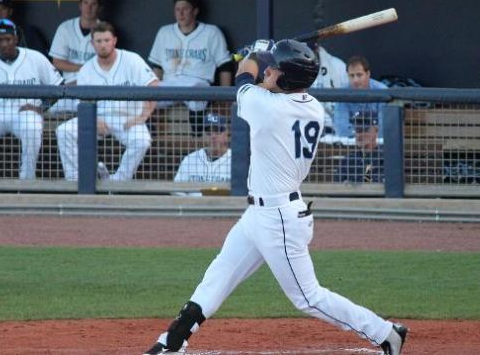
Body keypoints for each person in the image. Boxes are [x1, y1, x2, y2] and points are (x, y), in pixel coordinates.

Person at [143, 39, 407, 355]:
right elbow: (262, 74)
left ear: (286, 78)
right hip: (260, 214)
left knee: (308, 297)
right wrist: (268, 53)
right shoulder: (311, 106)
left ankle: (386, 332)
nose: (269, 70)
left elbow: (243, 75)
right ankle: (172, 340)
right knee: (220, 273)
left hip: (278, 218)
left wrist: (255, 52)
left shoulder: (267, 107)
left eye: (276, 68)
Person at [56, 21, 158, 181]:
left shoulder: (132, 60)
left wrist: (143, 117)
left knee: (142, 141)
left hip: (128, 118)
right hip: (99, 117)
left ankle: (118, 181)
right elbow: (83, 101)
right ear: (92, 44)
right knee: (64, 131)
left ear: (114, 41)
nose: (103, 45)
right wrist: (93, 118)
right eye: (99, 41)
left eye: (106, 40)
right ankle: (75, 179)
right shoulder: (87, 69)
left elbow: (153, 85)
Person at [0, 18, 63, 179]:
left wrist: (41, 108)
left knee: (32, 126)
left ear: (16, 39)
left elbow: (59, 87)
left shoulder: (35, 58)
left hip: (25, 113)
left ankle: (26, 179)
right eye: (0, 40)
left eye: (8, 39)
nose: (4, 44)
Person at [147, 0, 232, 135]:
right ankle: (151, 142)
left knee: (196, 92)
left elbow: (225, 65)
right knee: (144, 95)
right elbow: (157, 67)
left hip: (198, 82)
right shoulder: (165, 32)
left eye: (185, 9)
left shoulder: (211, 32)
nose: (181, 13)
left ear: (195, 11)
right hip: (170, 83)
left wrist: (225, 97)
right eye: (177, 9)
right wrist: (151, 88)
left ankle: (196, 138)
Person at [48, 0, 101, 113]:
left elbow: (105, 66)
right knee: (51, 115)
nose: (89, 7)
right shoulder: (65, 28)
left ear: (99, 7)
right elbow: (57, 62)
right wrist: (84, 68)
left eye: (93, 4)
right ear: (80, 5)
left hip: (93, 89)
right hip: (68, 89)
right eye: (86, 3)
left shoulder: (105, 32)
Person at [333, 55, 387, 139]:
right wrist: (360, 139)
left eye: (359, 75)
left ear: (368, 74)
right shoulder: (343, 93)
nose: (355, 80)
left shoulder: (382, 90)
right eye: (352, 75)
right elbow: (341, 127)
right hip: (351, 145)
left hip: (379, 144)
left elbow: (385, 126)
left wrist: (369, 138)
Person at [173, 112, 231, 186]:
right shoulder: (190, 160)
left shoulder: (236, 162)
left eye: (217, 131)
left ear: (226, 134)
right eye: (208, 132)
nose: (213, 136)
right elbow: (176, 190)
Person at [309, 42, 348, 135]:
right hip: (309, 125)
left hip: (336, 127)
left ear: (316, 48)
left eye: (309, 52)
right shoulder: (296, 70)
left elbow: (349, 102)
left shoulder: (338, 66)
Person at [335, 113, 383, 183]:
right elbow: (337, 187)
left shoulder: (384, 159)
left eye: (365, 130)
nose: (359, 135)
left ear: (376, 131)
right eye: (357, 130)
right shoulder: (348, 161)